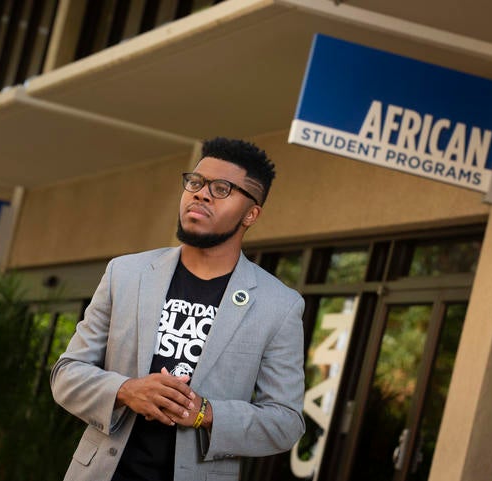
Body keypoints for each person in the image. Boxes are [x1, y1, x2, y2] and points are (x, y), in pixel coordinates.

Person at [50, 137, 306, 481]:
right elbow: (67, 373)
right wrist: (126, 391)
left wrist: (206, 413)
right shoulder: (125, 274)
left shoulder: (279, 306)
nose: (200, 194)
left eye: (221, 188)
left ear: (251, 214)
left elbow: (286, 422)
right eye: (196, 183)